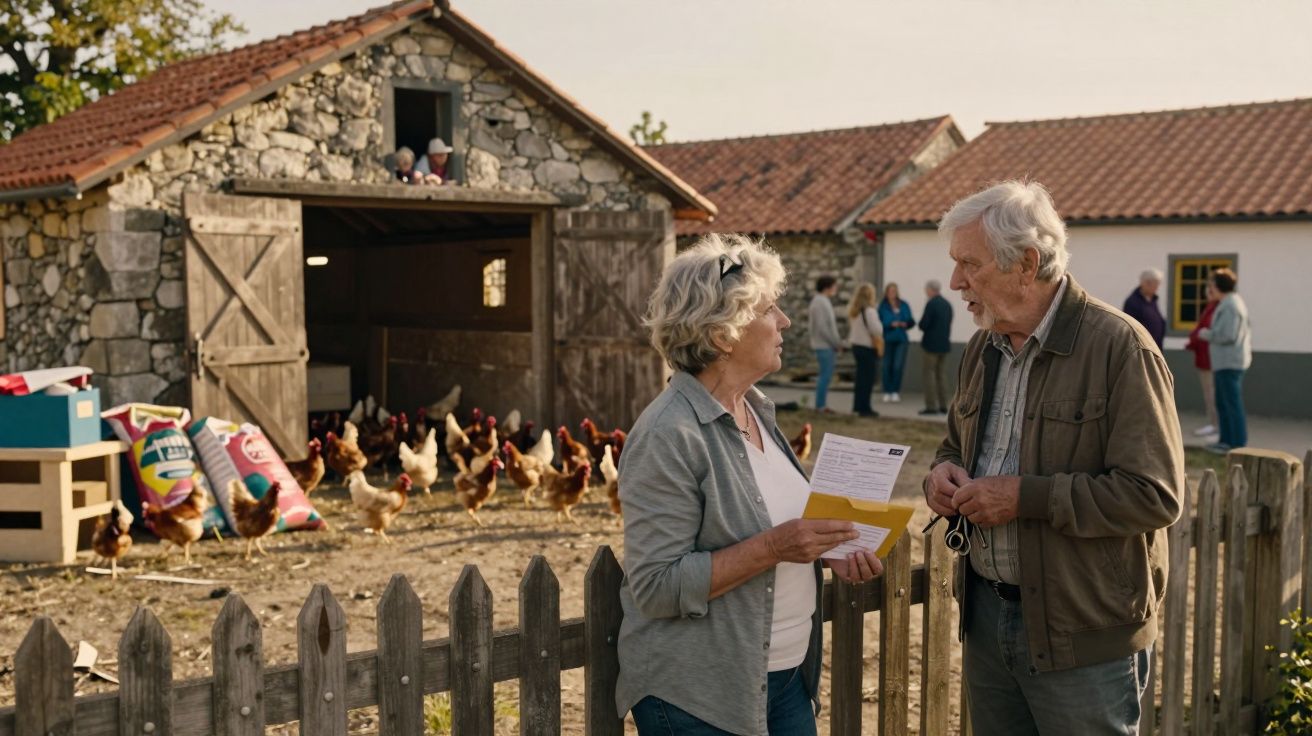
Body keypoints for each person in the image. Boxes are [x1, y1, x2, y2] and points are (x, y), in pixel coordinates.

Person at [923, 180, 1183, 735]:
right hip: (987, 617)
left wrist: (1024, 498)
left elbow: (1154, 495)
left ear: (1026, 263)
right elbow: (953, 446)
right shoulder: (981, 348)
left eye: (969, 264)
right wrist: (940, 476)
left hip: (1083, 631)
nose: (955, 282)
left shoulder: (1120, 347)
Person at [618, 234, 884, 735]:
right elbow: (656, 588)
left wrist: (826, 551)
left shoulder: (756, 409)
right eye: (769, 310)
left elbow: (775, 529)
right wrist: (776, 547)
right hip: (700, 695)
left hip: (784, 682)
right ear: (724, 334)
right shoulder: (666, 436)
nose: (784, 322)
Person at [1199, 268, 1250, 454]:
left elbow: (1228, 335)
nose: (1209, 288)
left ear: (1218, 285)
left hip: (1230, 362)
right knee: (1223, 403)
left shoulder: (1231, 305)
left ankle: (1235, 444)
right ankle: (1225, 441)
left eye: (1212, 284)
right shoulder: (1228, 302)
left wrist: (1205, 333)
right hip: (1224, 362)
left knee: (1231, 404)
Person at [1184, 281, 1221, 438]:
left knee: (1213, 393)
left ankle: (1216, 426)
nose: (1209, 293)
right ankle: (1213, 423)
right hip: (1204, 356)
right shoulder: (1210, 308)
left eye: (1212, 290)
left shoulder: (1218, 309)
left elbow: (1208, 331)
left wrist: (1197, 337)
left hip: (1210, 358)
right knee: (1209, 393)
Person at [847, 282, 883, 418]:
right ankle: (865, 408)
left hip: (856, 346)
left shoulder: (854, 310)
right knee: (868, 379)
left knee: (860, 379)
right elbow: (877, 330)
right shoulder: (870, 311)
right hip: (867, 347)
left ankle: (857, 405)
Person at [918, 279, 953, 416]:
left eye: (926, 290)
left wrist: (921, 325)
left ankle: (931, 406)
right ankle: (944, 405)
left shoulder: (931, 304)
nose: (926, 292)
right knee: (941, 376)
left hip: (930, 345)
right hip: (944, 344)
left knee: (929, 376)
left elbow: (923, 324)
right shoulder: (947, 304)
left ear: (930, 290)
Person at [808, 276, 843, 413]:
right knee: (825, 376)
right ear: (827, 287)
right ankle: (820, 406)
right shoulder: (819, 302)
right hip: (824, 345)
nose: (836, 289)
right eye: (834, 286)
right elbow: (823, 328)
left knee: (826, 376)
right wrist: (835, 343)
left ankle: (821, 405)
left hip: (826, 345)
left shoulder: (822, 301)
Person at [877, 282, 915, 402]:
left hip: (901, 340)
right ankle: (887, 391)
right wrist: (890, 324)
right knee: (886, 366)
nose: (892, 293)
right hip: (887, 339)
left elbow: (911, 321)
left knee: (898, 366)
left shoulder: (904, 304)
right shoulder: (882, 306)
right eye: (890, 291)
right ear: (886, 292)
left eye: (894, 290)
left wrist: (905, 323)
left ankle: (895, 391)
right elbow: (877, 323)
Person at [1122, 268, 1166, 348]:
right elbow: (1132, 328)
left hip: (1155, 346)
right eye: (1155, 284)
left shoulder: (1153, 300)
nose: (1157, 287)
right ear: (1146, 283)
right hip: (1142, 348)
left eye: (1158, 284)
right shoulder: (1133, 302)